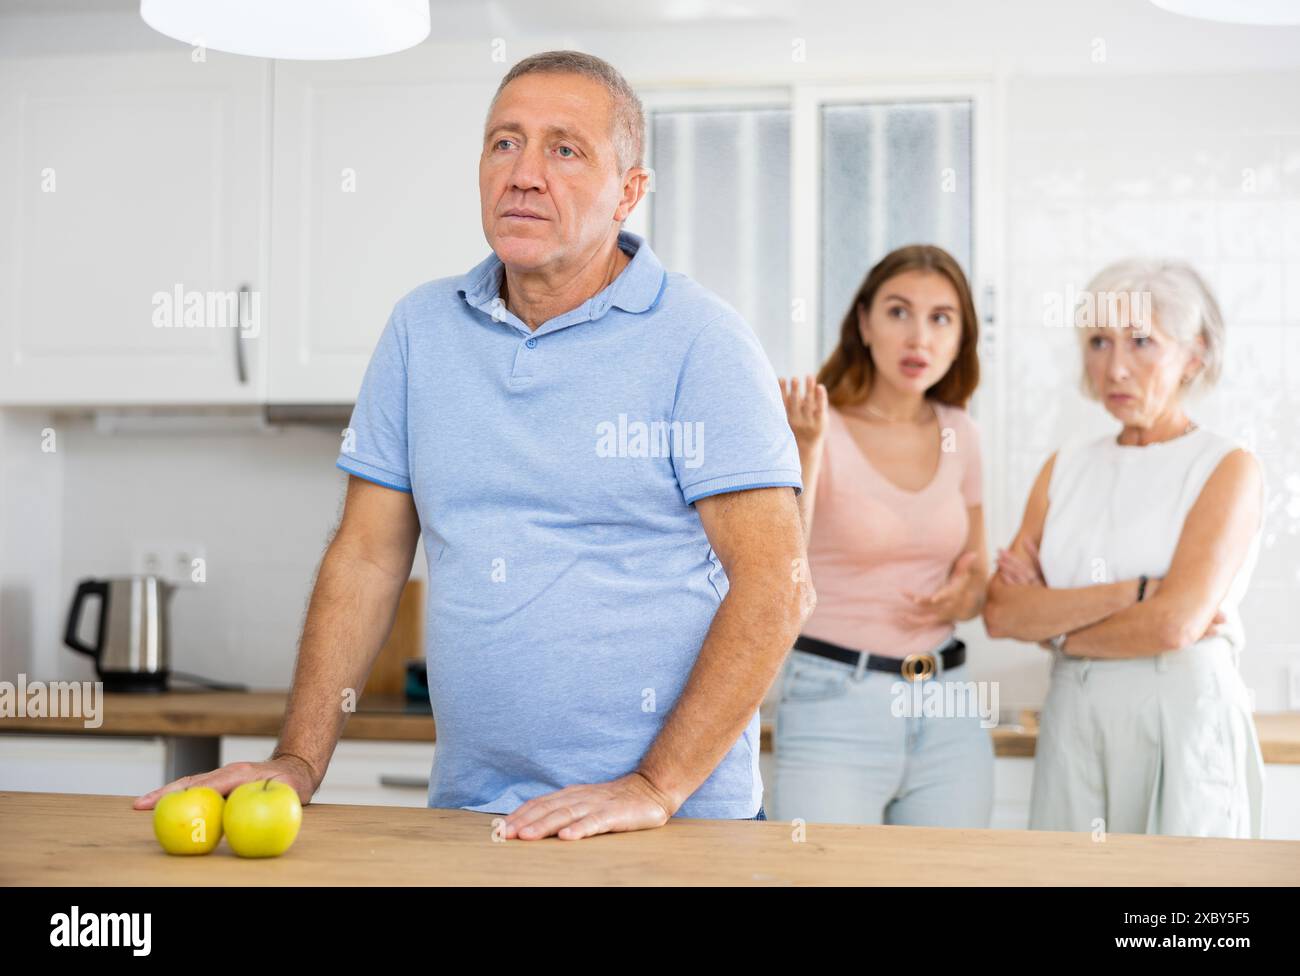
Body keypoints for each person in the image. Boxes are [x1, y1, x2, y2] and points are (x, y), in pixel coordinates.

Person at [135, 50, 815, 839]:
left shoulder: (703, 341)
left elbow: (778, 582)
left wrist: (655, 785)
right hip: (478, 818)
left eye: (565, 149)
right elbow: (366, 557)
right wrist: (298, 761)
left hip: (675, 826)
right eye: (504, 142)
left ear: (630, 191)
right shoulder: (421, 331)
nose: (525, 173)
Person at [984, 259, 1265, 838]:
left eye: (1141, 341)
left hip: (1181, 713)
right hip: (1073, 716)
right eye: (1098, 342)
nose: (1115, 367)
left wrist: (1058, 627)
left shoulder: (1227, 465)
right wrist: (1135, 592)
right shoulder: (1064, 467)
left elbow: (1173, 626)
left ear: (1196, 353)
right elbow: (1002, 611)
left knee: (1175, 922)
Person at [774, 244, 992, 826]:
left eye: (941, 318)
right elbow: (778, 568)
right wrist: (806, 448)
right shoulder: (814, 424)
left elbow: (977, 584)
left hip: (948, 704)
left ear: (961, 336)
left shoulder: (962, 435)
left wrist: (962, 595)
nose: (919, 337)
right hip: (833, 701)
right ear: (864, 322)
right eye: (899, 312)